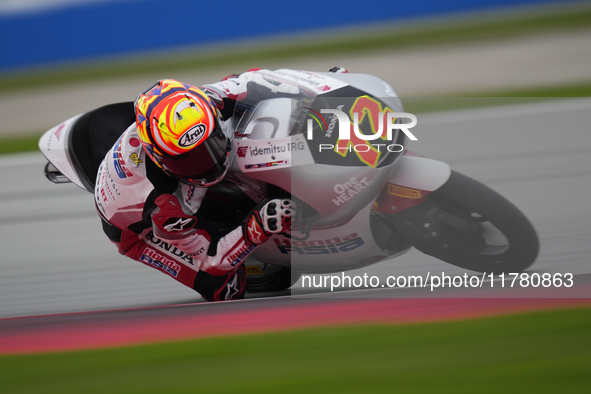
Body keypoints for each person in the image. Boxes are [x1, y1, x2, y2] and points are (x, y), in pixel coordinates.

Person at [94, 75, 294, 302]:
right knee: (226, 289)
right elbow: (213, 260)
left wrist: (331, 85)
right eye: (187, 161)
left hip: (173, 182)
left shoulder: (206, 102)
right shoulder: (162, 201)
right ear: (159, 158)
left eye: (211, 143)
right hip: (137, 230)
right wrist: (256, 228)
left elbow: (259, 80)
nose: (207, 165)